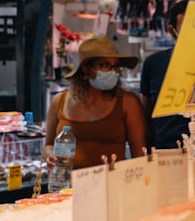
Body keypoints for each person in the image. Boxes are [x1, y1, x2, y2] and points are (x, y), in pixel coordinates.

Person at [45, 37, 147, 169]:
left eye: (116, 66)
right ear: (86, 69)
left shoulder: (127, 103)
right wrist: (49, 154)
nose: (113, 71)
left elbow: (140, 155)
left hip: (112, 181)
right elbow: (48, 145)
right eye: (105, 65)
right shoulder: (59, 102)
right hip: (68, 181)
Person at [139, 0, 194, 150]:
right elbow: (147, 111)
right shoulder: (153, 63)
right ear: (172, 30)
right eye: (186, 27)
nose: (193, 33)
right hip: (165, 149)